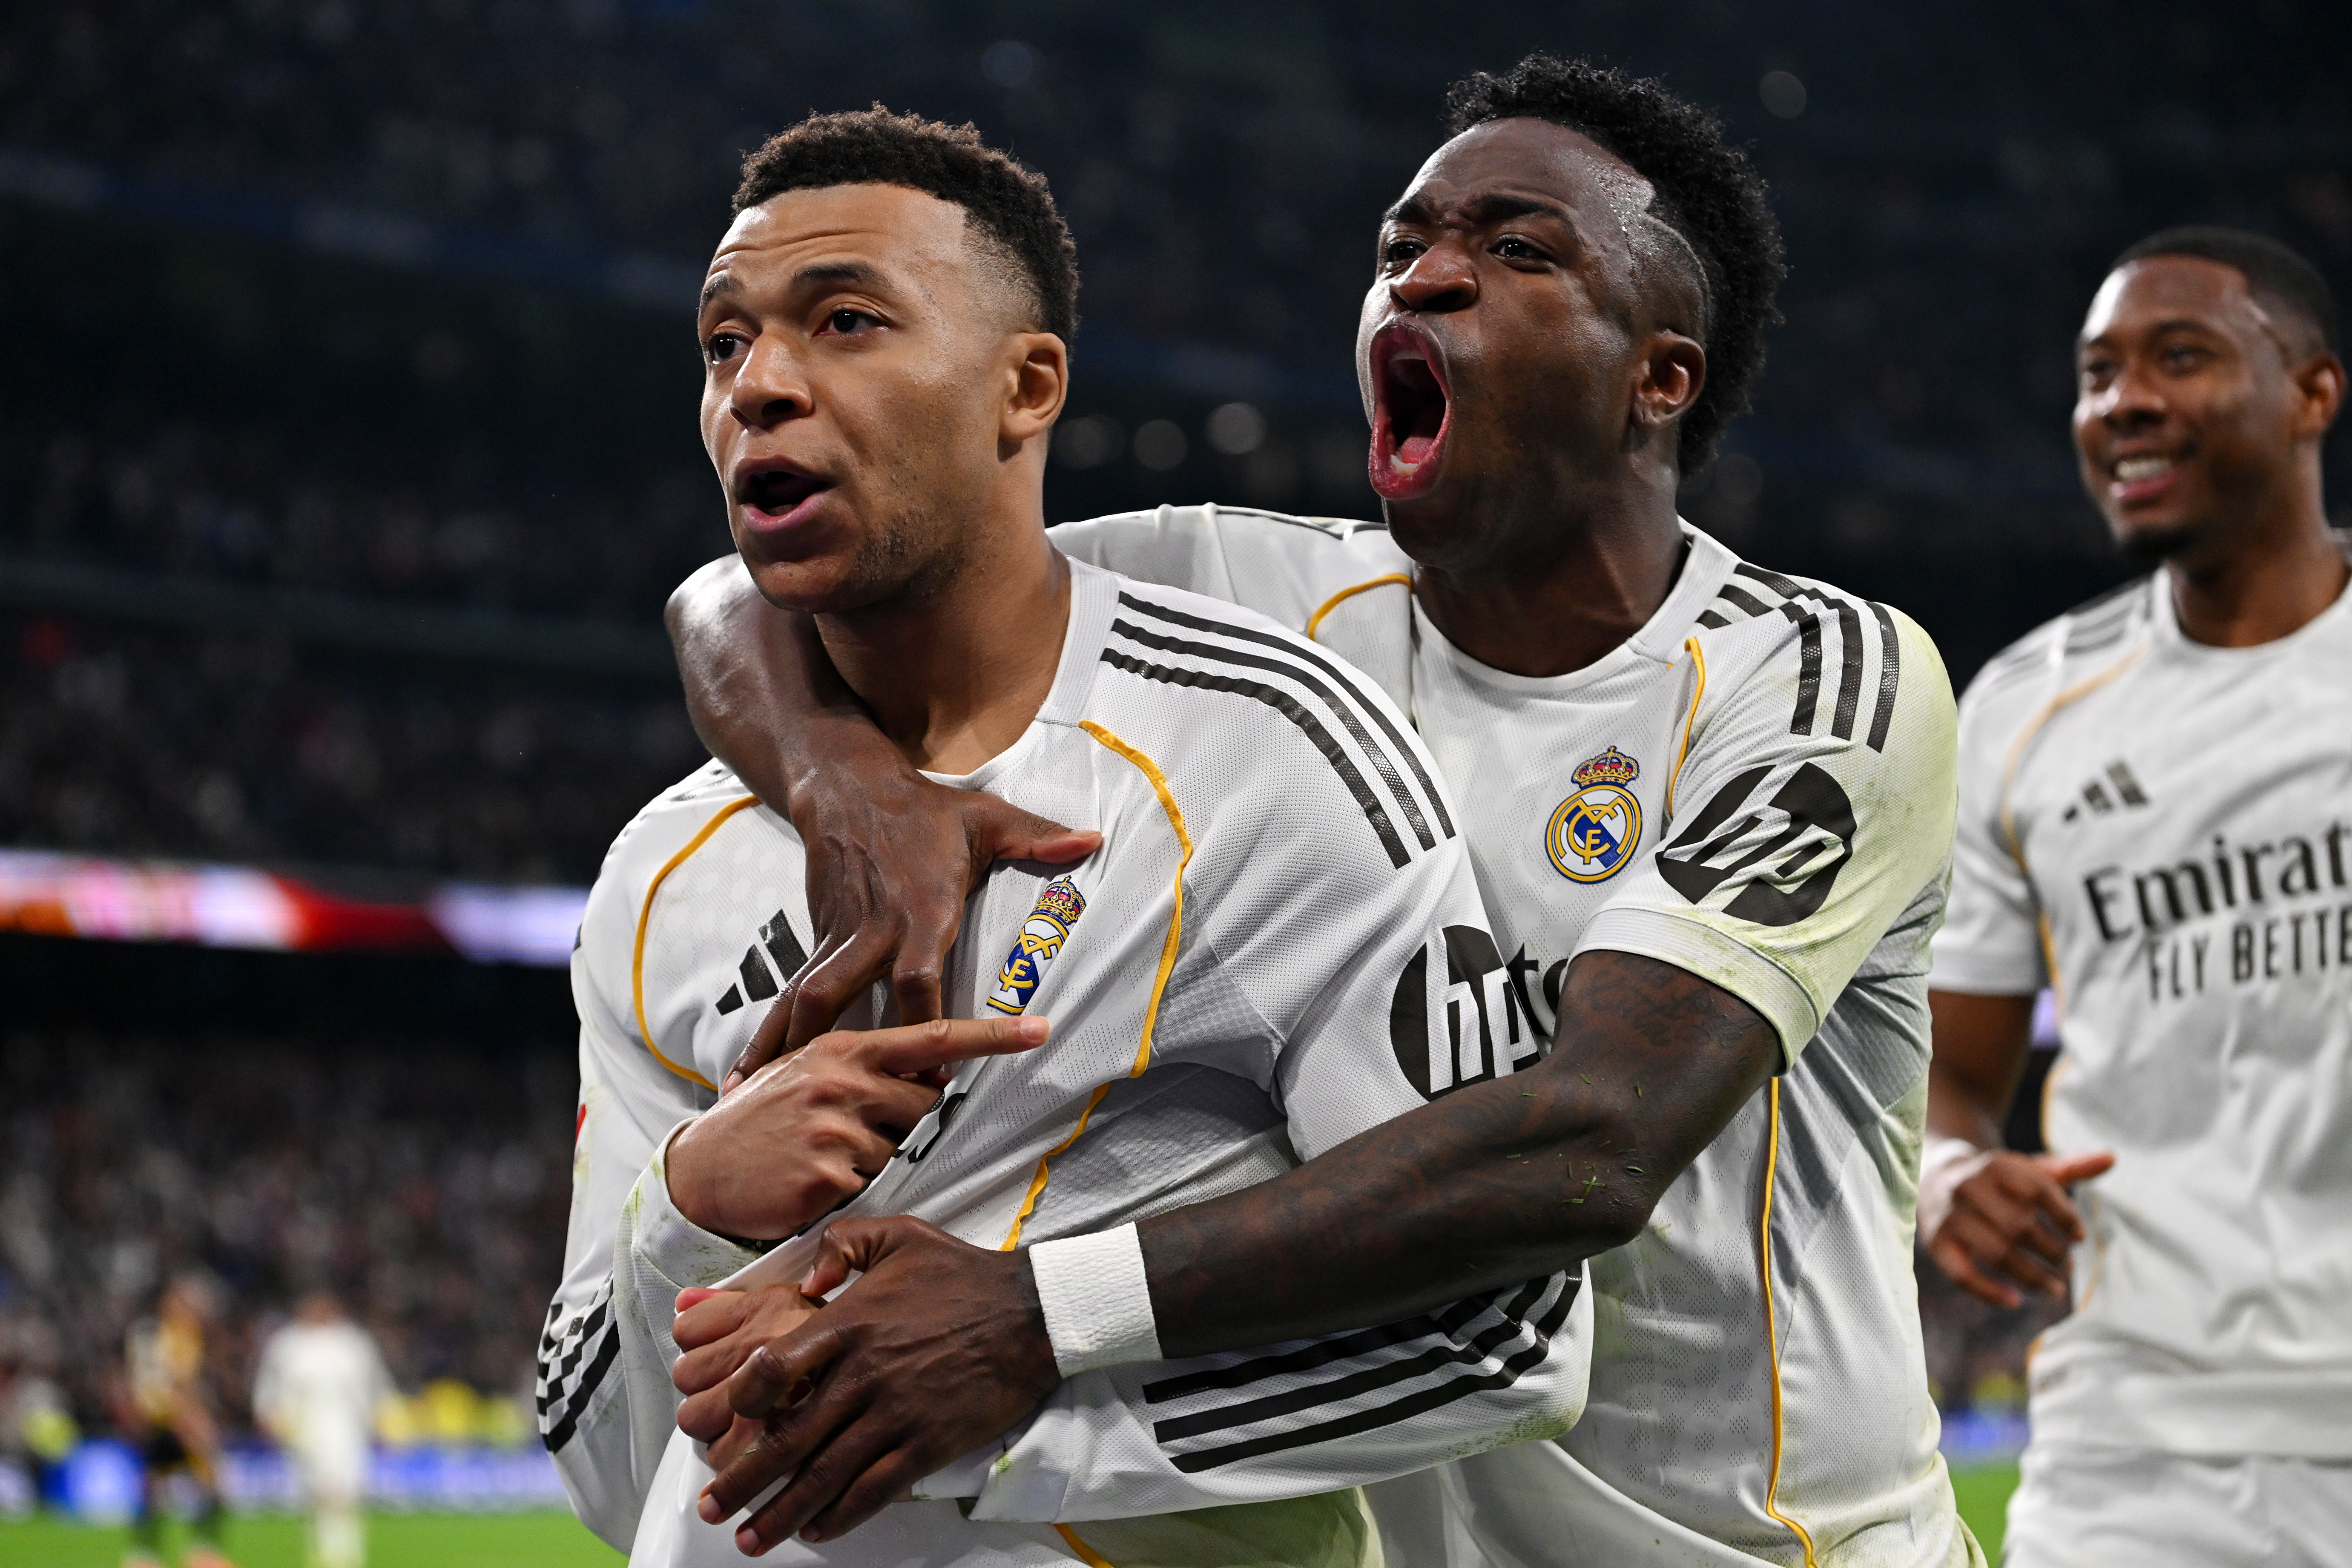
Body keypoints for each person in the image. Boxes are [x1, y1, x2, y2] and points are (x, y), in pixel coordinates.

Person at [667, 56, 1979, 1568]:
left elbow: (1593, 1141)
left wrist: (1035, 1309)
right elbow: (759, 581)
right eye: (1398, 247)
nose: (1423, 275)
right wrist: (842, 780)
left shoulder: (1814, 676)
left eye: (1515, 248)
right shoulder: (1252, 595)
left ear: (1657, 378)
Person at [537, 107, 1590, 1567]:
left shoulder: (1261, 758)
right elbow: (605, 1474)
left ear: (1024, 386)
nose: (759, 385)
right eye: (724, 343)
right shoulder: (665, 868)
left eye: (845, 323)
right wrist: (692, 1207)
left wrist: (1015, 1395)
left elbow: (1504, 1332)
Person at [1921, 227, 2351, 1566]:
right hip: (2133, 1454)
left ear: (2312, 394)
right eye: (2096, 373)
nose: (2125, 402)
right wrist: (1947, 1172)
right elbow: (1947, 1077)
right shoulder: (2022, 708)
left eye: (2179, 357)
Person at [253, 1292, 391, 1568]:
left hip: (346, 1423)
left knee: (346, 1488)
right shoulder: (288, 1344)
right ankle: (325, 1548)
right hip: (304, 1423)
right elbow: (271, 1385)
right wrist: (269, 1414)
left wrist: (379, 1415)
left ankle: (344, 1551)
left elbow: (373, 1383)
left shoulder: (352, 1342)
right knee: (315, 1490)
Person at [121, 1277, 233, 1568]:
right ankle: (201, 1553)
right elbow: (180, 1383)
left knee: (155, 1488)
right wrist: (192, 1422)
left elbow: (139, 1383)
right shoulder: (178, 1336)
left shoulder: (148, 1335)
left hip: (155, 1420)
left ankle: (144, 1556)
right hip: (172, 1421)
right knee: (207, 1483)